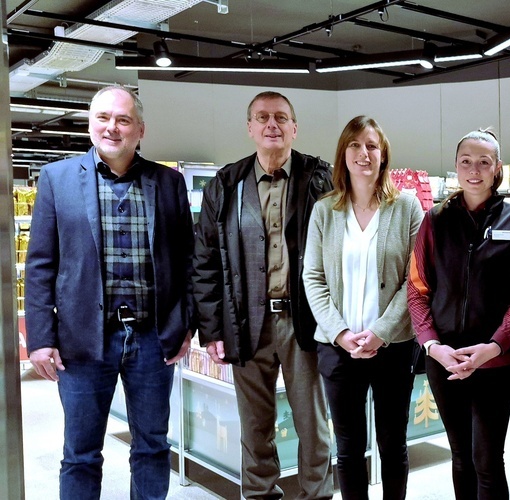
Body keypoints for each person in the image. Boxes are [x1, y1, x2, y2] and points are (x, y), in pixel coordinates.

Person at [25, 84, 193, 500]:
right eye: (103, 118)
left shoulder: (168, 183)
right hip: (82, 341)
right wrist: (41, 339)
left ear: (140, 129)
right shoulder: (57, 179)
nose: (112, 128)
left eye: (123, 119)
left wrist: (185, 325)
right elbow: (41, 264)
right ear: (90, 124)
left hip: (153, 340)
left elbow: (188, 261)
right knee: (81, 453)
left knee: (153, 446)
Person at [192, 91, 334, 499]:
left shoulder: (319, 178)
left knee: (313, 425)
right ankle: (258, 494)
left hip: (305, 322)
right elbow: (205, 261)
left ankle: (317, 495)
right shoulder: (226, 183)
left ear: (294, 127)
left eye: (280, 117)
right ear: (250, 127)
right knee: (254, 426)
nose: (272, 124)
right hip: (245, 321)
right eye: (262, 117)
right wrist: (212, 328)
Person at [407, 129, 510, 499]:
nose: (475, 169)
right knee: (461, 457)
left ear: (497, 168)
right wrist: (433, 346)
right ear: (456, 167)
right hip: (444, 360)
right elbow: (417, 290)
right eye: (466, 161)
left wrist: (494, 346)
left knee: (488, 459)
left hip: (495, 362)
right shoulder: (434, 220)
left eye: (484, 162)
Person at [302, 116, 425, 499]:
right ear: (343, 154)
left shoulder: (406, 208)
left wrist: (380, 333)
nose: (363, 153)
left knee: (393, 445)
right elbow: (313, 277)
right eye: (354, 145)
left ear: (383, 153)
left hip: (393, 347)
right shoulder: (325, 211)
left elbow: (416, 281)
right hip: (339, 350)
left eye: (371, 145)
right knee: (348, 448)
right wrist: (340, 332)